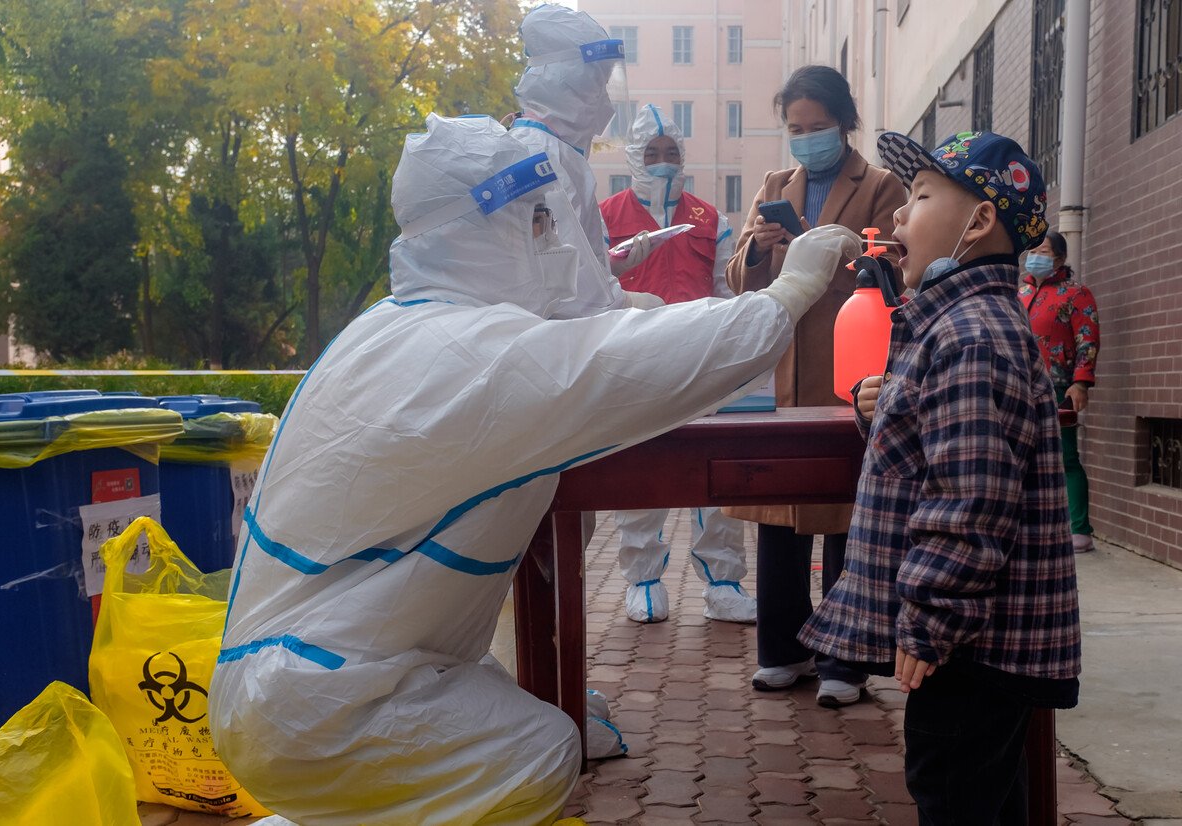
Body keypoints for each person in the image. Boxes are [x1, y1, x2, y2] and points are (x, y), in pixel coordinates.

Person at [209, 113, 861, 826]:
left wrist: (619, 313)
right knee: (541, 750)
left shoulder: (390, 326)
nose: (555, 240)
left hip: (294, 691)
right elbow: (624, 367)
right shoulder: (471, 353)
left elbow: (563, 350)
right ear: (491, 226)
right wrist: (785, 296)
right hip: (330, 707)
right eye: (540, 220)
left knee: (508, 705)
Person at [800, 130, 1082, 825]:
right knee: (983, 794)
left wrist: (927, 622)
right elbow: (939, 445)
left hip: (972, 645)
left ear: (979, 221)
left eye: (920, 196)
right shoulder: (954, 325)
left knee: (953, 792)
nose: (899, 213)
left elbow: (969, 501)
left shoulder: (971, 336)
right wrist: (883, 400)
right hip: (981, 639)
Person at [724, 64, 908, 706]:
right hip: (783, 373)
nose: (806, 139)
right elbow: (738, 278)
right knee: (777, 511)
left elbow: (894, 270)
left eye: (818, 127)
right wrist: (760, 250)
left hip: (853, 370)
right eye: (795, 129)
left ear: (844, 122)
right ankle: (781, 651)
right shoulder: (776, 184)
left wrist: (812, 251)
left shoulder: (882, 185)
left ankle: (845, 659)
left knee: (848, 517)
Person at [597, 103, 753, 624]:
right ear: (635, 157)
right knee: (640, 473)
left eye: (671, 152)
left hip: (701, 362)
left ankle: (723, 583)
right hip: (634, 362)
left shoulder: (709, 219)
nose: (662, 161)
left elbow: (725, 290)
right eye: (652, 153)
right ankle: (642, 583)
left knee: (715, 473)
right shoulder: (604, 219)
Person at [510, 3, 661, 318]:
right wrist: (632, 305)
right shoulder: (541, 160)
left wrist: (605, 264)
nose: (606, 104)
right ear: (566, 84)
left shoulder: (553, 153)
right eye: (598, 86)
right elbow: (574, 301)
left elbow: (557, 260)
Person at [1020, 230, 1100, 553]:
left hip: (1057, 386)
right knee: (1024, 456)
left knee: (1065, 457)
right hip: (1020, 386)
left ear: (1060, 258)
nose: (1035, 255)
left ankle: (1079, 529)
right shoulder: (1021, 293)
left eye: (1043, 249)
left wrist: (1081, 382)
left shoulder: (1075, 294)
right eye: (1033, 249)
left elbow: (1087, 339)